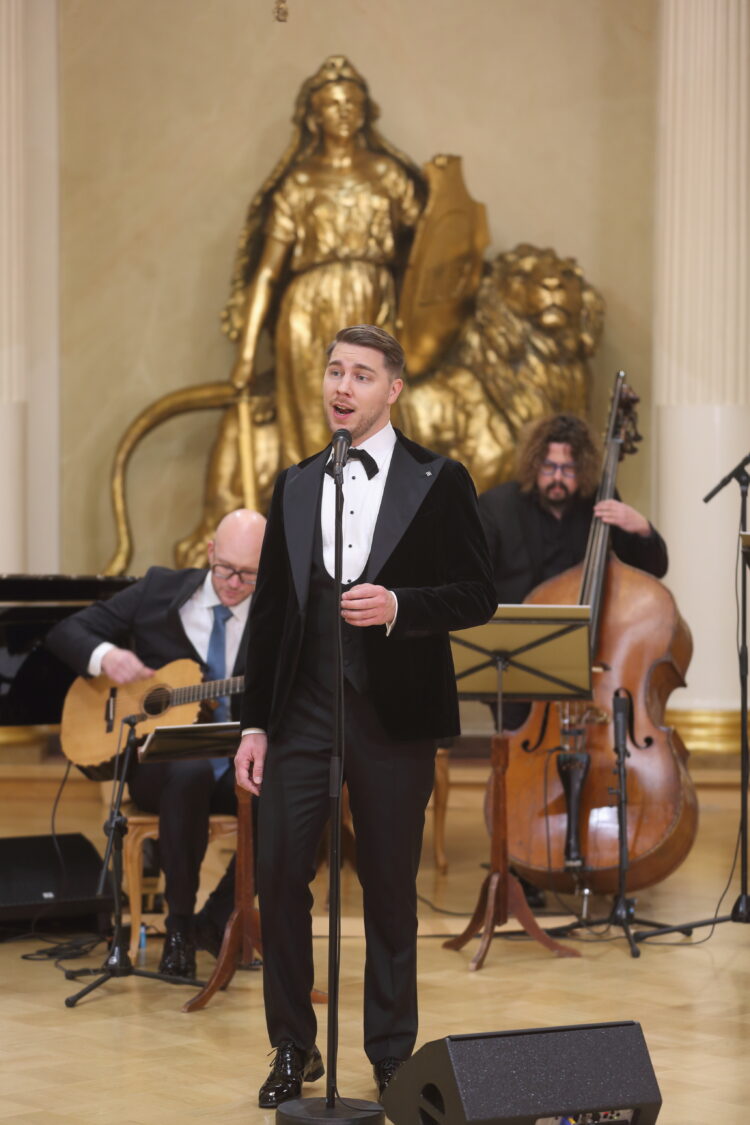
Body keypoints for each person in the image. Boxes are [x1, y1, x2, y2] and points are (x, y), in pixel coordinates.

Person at [233, 324, 497, 1108]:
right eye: (334, 371)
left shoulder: (439, 479)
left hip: (394, 718)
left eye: (361, 374)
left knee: (387, 889)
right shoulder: (295, 483)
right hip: (302, 711)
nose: (341, 387)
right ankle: (292, 1046)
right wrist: (253, 723)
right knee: (279, 877)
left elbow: (478, 592)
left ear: (394, 389)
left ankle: (389, 1052)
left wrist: (399, 606)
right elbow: (272, 614)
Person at [176, 54, 425, 563]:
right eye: (331, 103)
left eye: (351, 102)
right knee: (312, 424)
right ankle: (311, 542)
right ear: (313, 114)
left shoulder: (388, 175)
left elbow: (425, 254)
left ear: (365, 111)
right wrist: (245, 354)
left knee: (371, 416)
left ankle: (374, 534)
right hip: (307, 309)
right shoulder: (300, 182)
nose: (342, 111)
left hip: (372, 295)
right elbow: (268, 272)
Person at [46, 509, 266, 979]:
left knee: (296, 796)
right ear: (209, 552)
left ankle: (217, 919)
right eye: (225, 568)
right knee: (185, 774)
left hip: (237, 761)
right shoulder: (158, 589)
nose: (233, 583)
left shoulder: (278, 611)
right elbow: (67, 632)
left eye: (249, 575)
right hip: (156, 766)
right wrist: (109, 656)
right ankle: (179, 929)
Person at [478, 412, 668, 609]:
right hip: (516, 633)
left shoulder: (600, 501)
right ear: (534, 464)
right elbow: (470, 577)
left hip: (588, 630)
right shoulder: (497, 506)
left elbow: (654, 571)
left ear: (584, 468)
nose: (557, 478)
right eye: (549, 467)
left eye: (569, 469)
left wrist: (643, 529)